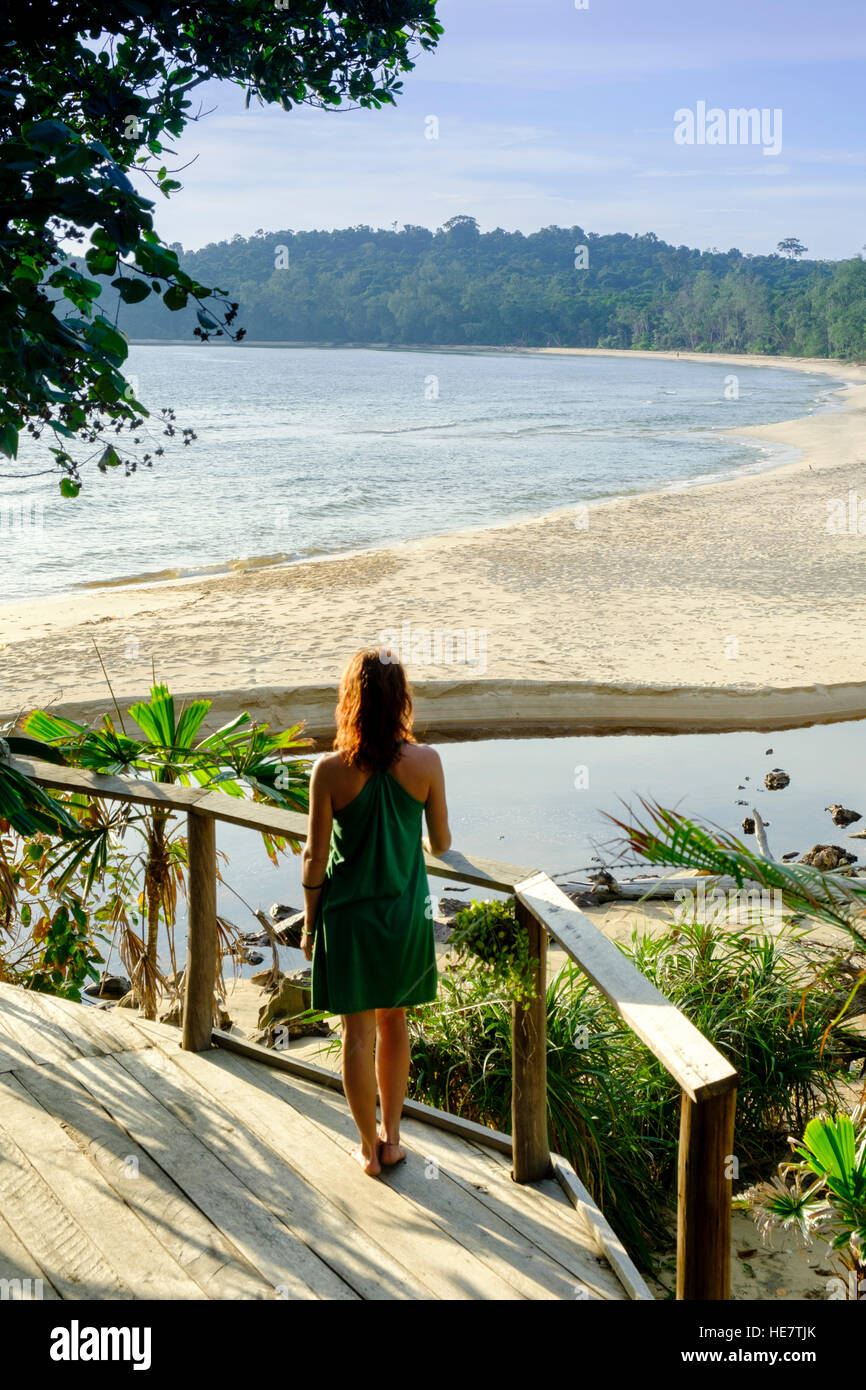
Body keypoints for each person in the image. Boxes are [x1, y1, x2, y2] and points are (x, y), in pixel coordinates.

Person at [300, 648, 452, 1176]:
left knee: (356, 1035)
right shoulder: (427, 763)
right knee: (396, 1023)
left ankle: (367, 1151)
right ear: (401, 701)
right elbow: (441, 842)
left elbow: (315, 858)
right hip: (405, 916)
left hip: (348, 919)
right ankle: (393, 1137)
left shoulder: (329, 771)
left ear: (352, 702)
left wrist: (310, 924)